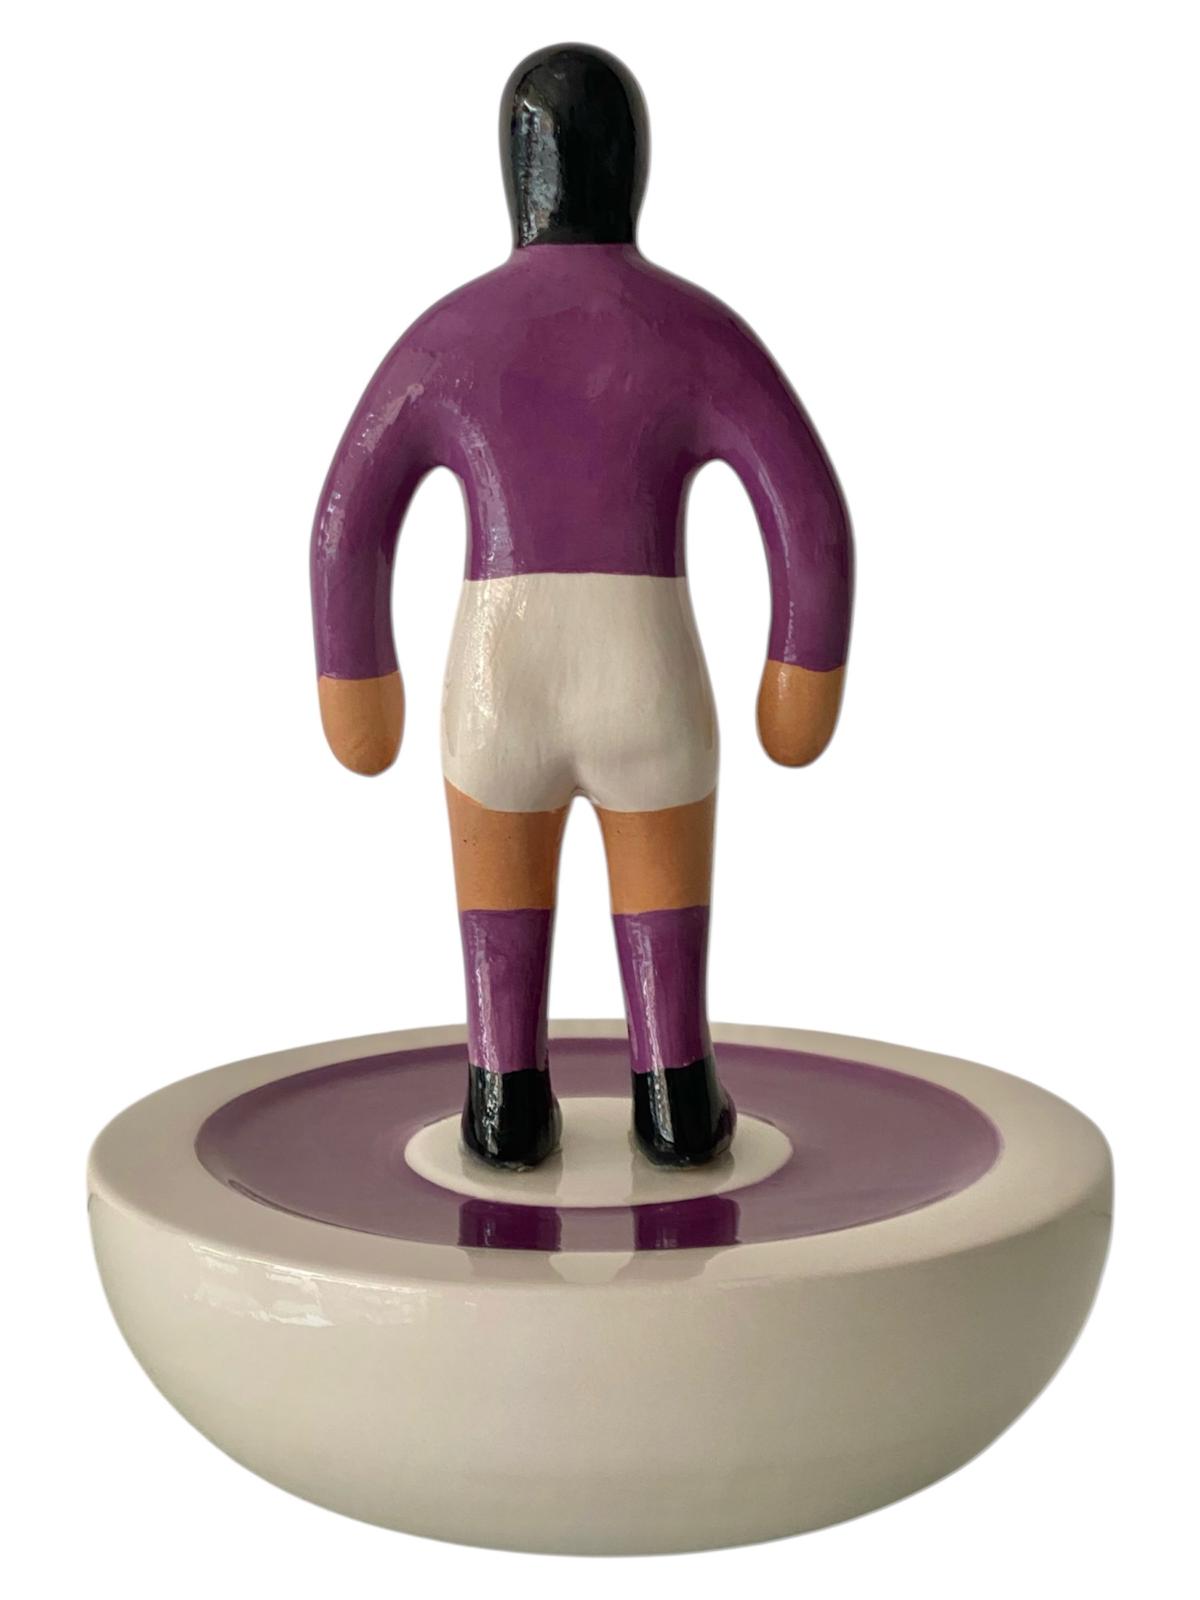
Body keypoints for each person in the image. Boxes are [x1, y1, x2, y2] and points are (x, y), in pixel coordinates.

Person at [311, 44, 853, 1169]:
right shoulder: (694, 331)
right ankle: (676, 1093)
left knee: (499, 910)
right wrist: (801, 676)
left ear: (516, 175)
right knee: (664, 902)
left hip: (495, 687)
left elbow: (347, 519)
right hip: (646, 675)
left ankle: (503, 1096)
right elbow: (806, 507)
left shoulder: (447, 338)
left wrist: (356, 683)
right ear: (632, 167)